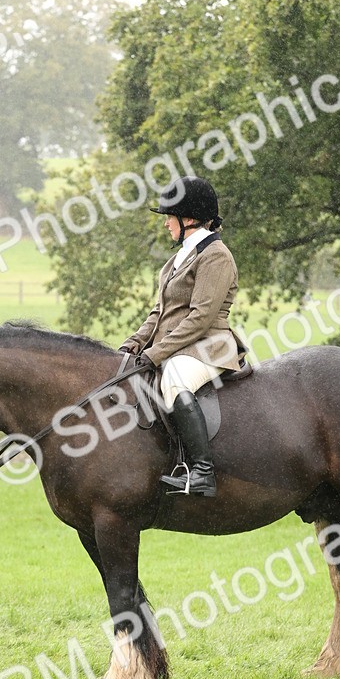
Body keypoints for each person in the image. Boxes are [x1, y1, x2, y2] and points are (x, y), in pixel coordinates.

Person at [118, 176, 247, 497]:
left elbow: (200, 318)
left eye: (169, 218)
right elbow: (159, 312)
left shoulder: (216, 255)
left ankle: (203, 472)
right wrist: (133, 344)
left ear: (188, 219)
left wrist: (156, 353)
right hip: (179, 345)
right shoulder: (177, 258)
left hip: (209, 346)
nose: (166, 224)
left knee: (175, 380)